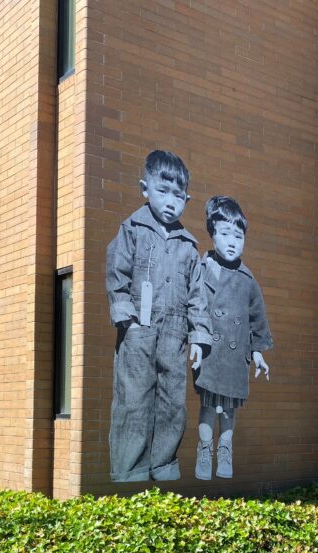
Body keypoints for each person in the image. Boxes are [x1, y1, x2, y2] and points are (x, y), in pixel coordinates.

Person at [106, 150, 212, 482]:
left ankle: (163, 466)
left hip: (175, 336)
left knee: (172, 404)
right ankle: (129, 470)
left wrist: (198, 337)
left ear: (187, 199)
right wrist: (130, 321)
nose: (170, 202)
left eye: (178, 196)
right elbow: (117, 276)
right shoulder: (132, 229)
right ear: (145, 189)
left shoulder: (188, 245)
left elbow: (198, 296)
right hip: (139, 333)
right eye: (162, 192)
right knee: (134, 401)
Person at [193, 196, 273, 480]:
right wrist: (195, 342)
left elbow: (257, 319)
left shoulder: (248, 279)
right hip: (211, 353)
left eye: (238, 236)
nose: (231, 242)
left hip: (235, 356)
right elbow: (194, 307)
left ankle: (225, 450)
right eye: (225, 234)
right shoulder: (201, 269)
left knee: (228, 410)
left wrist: (258, 353)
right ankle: (205, 450)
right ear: (212, 233)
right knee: (208, 406)